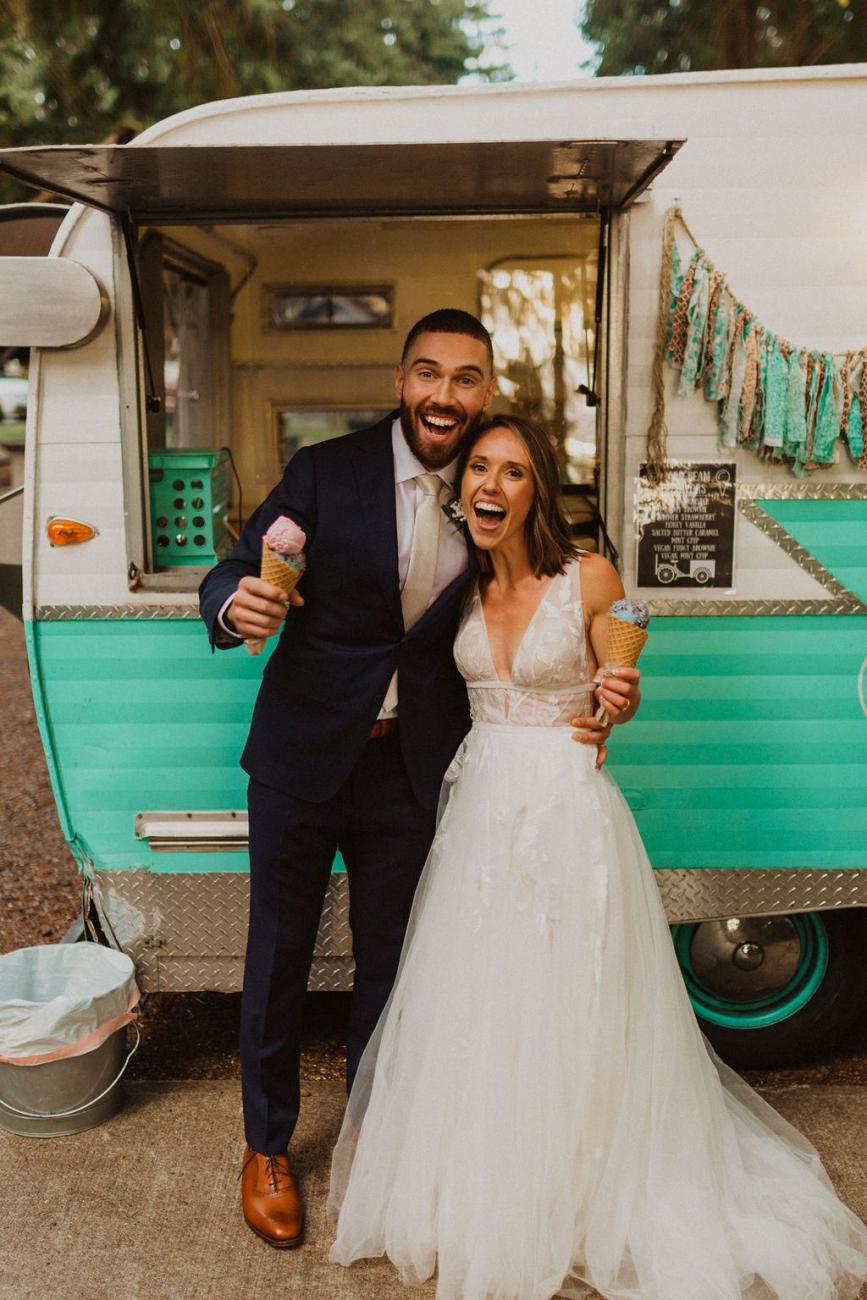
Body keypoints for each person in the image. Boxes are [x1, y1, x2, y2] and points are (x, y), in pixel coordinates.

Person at [328, 414, 867, 1300]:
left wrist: (619, 696)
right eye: (478, 470)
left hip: (568, 810)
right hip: (479, 815)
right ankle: (493, 1180)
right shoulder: (452, 587)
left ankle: (584, 1183)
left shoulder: (588, 576)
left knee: (573, 997)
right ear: (460, 488)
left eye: (512, 472)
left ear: (536, 488)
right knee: (484, 1000)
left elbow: (615, 683)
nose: (490, 486)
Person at [197, 311, 640, 1249]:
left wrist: (597, 699)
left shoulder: (489, 491)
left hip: (416, 767)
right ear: (402, 379)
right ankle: (268, 1147)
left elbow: (555, 606)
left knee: (392, 966)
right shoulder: (326, 471)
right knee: (276, 955)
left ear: (485, 393)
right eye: (429, 374)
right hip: (302, 755)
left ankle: (376, 1134)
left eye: (466, 378)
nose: (446, 395)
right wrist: (237, 602)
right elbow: (238, 568)